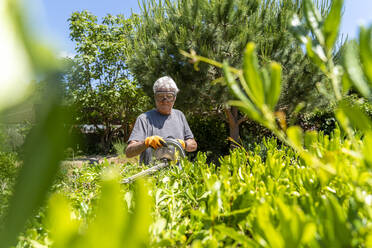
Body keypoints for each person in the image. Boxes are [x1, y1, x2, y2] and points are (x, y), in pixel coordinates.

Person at [125, 76, 197, 164]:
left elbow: (193, 145)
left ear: (174, 98)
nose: (165, 100)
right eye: (160, 96)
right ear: (155, 97)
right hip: (151, 175)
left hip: (178, 174)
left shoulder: (180, 115)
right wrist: (146, 143)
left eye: (169, 96)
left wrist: (184, 144)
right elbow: (129, 152)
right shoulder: (144, 119)